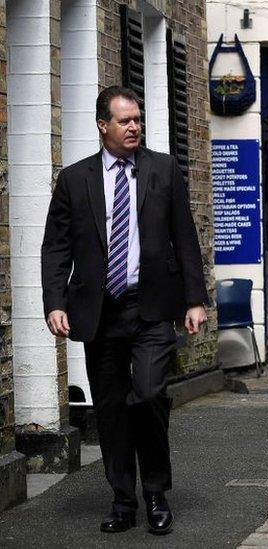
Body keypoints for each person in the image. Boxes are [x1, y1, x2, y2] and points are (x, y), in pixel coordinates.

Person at [40, 86, 208, 535]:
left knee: (150, 394)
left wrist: (194, 299)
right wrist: (54, 302)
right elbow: (55, 247)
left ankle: (155, 492)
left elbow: (184, 236)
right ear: (103, 126)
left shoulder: (163, 169)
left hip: (151, 307)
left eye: (137, 120)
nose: (134, 127)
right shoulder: (75, 180)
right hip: (100, 311)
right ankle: (123, 499)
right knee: (111, 407)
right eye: (125, 121)